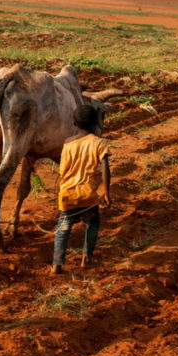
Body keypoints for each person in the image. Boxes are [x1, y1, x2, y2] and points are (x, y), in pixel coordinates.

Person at [52, 104, 112, 274]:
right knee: (92, 224)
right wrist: (106, 193)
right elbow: (106, 167)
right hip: (88, 195)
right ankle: (86, 259)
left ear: (74, 122)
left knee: (63, 229)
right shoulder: (100, 143)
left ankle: (57, 264)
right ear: (96, 123)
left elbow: (62, 169)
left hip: (67, 194)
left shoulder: (67, 143)